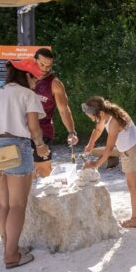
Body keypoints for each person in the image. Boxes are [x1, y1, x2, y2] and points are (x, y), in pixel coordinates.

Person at [0, 58, 50, 269]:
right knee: (18, 205)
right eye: (34, 77)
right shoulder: (28, 95)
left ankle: (8, 247)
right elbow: (34, 128)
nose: (36, 82)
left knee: (3, 204)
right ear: (26, 75)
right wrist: (40, 146)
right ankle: (12, 255)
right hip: (17, 147)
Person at [81, 96, 136, 228]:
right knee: (135, 180)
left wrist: (96, 164)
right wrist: (91, 143)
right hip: (133, 148)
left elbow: (109, 148)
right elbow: (98, 129)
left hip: (134, 150)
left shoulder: (113, 121)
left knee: (132, 185)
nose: (92, 119)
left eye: (92, 116)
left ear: (100, 113)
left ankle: (135, 219)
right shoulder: (106, 114)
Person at [31, 48, 79, 178]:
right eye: (42, 64)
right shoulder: (24, 78)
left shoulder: (55, 84)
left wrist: (72, 132)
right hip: (21, 130)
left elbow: (64, 110)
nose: (45, 68)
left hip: (43, 131)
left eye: (49, 66)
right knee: (25, 172)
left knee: (43, 170)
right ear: (35, 61)